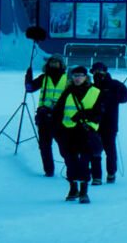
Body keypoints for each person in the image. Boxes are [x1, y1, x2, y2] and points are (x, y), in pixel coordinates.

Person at [53, 65, 102, 203]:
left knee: (84, 162)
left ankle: (84, 191)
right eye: (75, 75)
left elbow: (99, 113)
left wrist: (84, 114)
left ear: (86, 77)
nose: (77, 78)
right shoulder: (67, 92)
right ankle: (73, 188)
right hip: (68, 132)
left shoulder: (95, 92)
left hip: (86, 132)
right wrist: (56, 131)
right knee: (70, 161)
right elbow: (58, 112)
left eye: (80, 75)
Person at [24, 55, 68, 176]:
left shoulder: (67, 78)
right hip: (43, 116)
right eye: (51, 62)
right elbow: (30, 88)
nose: (53, 64)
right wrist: (28, 77)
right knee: (44, 146)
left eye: (56, 62)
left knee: (64, 145)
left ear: (61, 64)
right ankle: (49, 170)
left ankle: (71, 167)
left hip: (59, 117)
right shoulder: (44, 78)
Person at [88, 61, 127, 184]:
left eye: (100, 70)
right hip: (94, 123)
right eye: (95, 71)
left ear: (105, 71)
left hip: (110, 123)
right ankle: (96, 175)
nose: (98, 73)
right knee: (94, 150)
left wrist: (111, 97)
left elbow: (126, 96)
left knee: (110, 150)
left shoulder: (114, 84)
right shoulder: (91, 87)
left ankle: (111, 173)